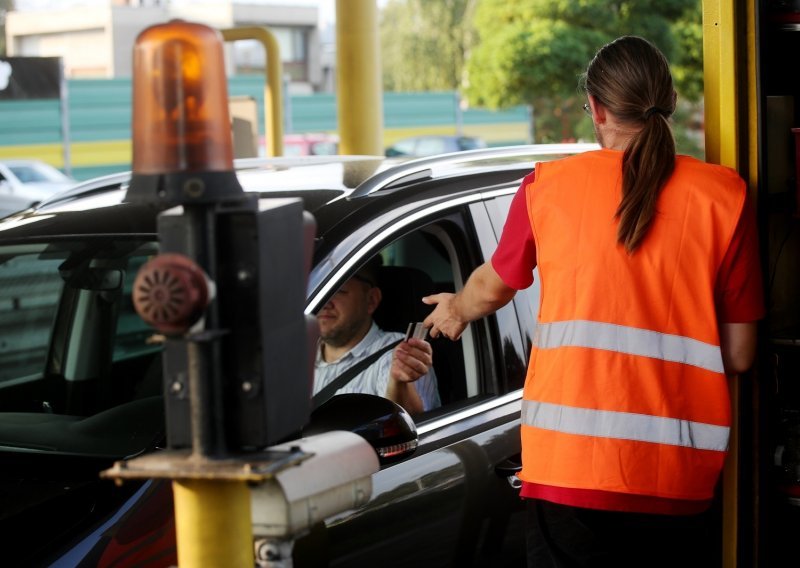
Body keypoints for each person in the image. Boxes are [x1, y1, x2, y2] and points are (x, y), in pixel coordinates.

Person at [422, 36, 764, 567]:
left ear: (598, 109)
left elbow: (492, 286)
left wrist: (456, 309)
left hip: (570, 469)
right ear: (668, 101)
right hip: (678, 476)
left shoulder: (548, 187)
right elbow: (741, 354)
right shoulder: (726, 197)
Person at [314, 257, 440, 415]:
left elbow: (413, 430)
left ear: (371, 300)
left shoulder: (400, 353)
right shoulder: (295, 358)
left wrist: (398, 384)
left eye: (339, 291)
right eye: (319, 293)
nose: (324, 303)